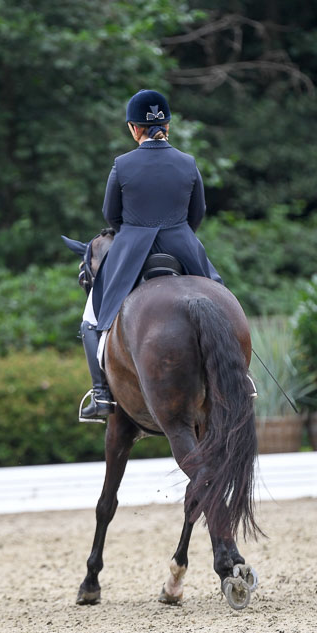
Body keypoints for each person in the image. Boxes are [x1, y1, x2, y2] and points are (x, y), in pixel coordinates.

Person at [79, 88, 223, 422]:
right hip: (182, 244)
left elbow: (110, 214)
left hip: (132, 249)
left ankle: (102, 396)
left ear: (134, 128)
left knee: (92, 318)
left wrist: (135, 233)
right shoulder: (187, 162)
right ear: (167, 126)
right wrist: (178, 235)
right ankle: (241, 378)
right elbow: (198, 212)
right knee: (221, 298)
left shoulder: (122, 164)